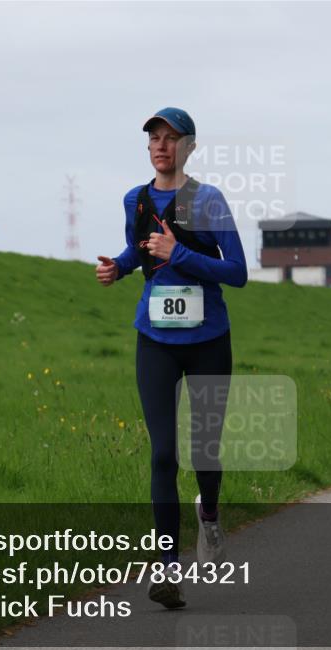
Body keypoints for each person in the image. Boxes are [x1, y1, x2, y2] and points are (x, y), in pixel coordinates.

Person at [93, 108, 247, 609]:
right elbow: (141, 249)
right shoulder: (135, 199)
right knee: (163, 453)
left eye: (171, 138)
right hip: (155, 337)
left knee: (204, 451)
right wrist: (119, 266)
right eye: (154, 138)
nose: (161, 145)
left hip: (208, 339)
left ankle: (209, 516)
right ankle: (166, 571)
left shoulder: (209, 200)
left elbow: (237, 272)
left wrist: (178, 253)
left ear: (190, 147)